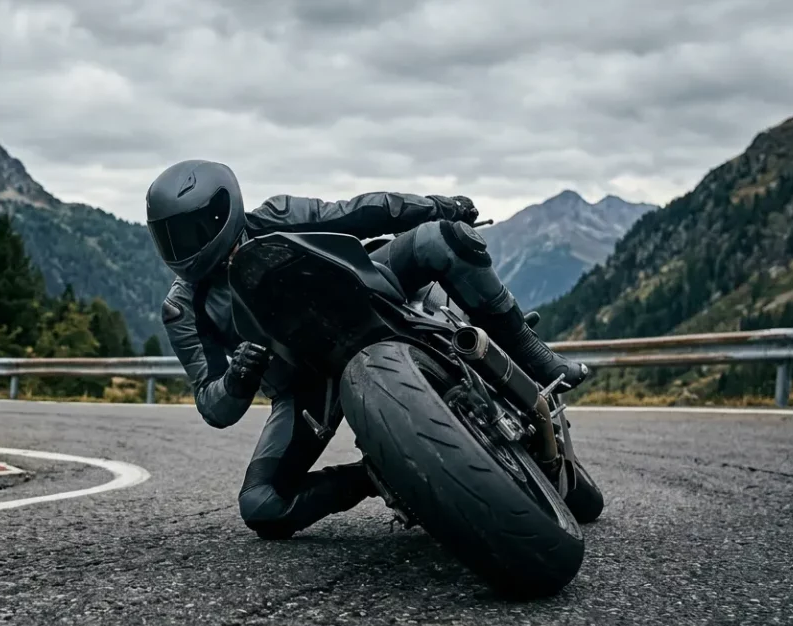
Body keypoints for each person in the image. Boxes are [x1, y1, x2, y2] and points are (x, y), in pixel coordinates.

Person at [146, 159, 589, 540]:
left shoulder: (273, 216)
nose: (183, 246)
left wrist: (440, 206)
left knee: (442, 239)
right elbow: (213, 404)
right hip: (306, 384)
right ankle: (375, 474)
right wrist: (237, 379)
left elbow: (359, 213)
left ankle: (533, 356)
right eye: (170, 238)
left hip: (364, 292)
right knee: (261, 505)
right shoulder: (182, 308)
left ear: (225, 209)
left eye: (194, 229)